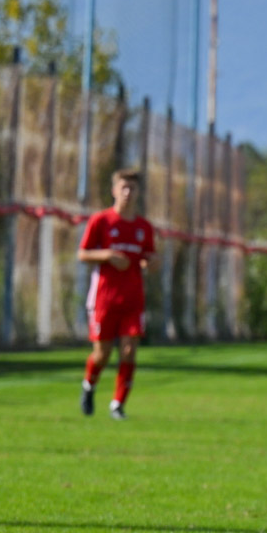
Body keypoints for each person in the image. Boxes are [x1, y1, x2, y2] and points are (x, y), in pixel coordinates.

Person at [77, 169, 154, 421]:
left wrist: (150, 262)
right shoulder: (101, 221)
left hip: (133, 299)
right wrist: (108, 255)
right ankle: (89, 385)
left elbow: (149, 257)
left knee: (130, 351)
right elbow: (83, 253)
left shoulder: (144, 227)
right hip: (104, 298)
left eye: (133, 188)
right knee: (102, 353)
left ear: (139, 192)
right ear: (114, 190)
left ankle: (118, 404)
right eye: (124, 187)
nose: (128, 193)